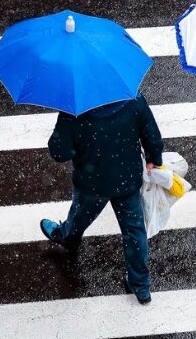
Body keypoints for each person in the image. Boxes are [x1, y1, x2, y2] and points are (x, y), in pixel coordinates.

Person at [40, 95, 164, 304]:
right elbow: (151, 133)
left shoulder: (74, 110)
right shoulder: (132, 98)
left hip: (92, 183)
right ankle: (140, 284)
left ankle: (67, 237)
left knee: (80, 215)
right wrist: (154, 158)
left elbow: (59, 152)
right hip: (127, 179)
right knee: (134, 230)